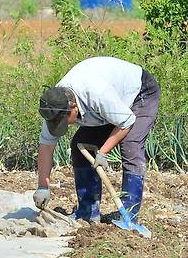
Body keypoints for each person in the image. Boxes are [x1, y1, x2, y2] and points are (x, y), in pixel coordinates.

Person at [33, 56, 160, 224]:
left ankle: (129, 216)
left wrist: (102, 152)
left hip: (139, 93)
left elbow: (127, 122)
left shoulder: (96, 94)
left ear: (74, 107)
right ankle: (87, 212)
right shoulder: (53, 107)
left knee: (130, 146)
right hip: (109, 106)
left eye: (64, 121)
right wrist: (43, 186)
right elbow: (46, 147)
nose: (62, 125)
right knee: (79, 146)